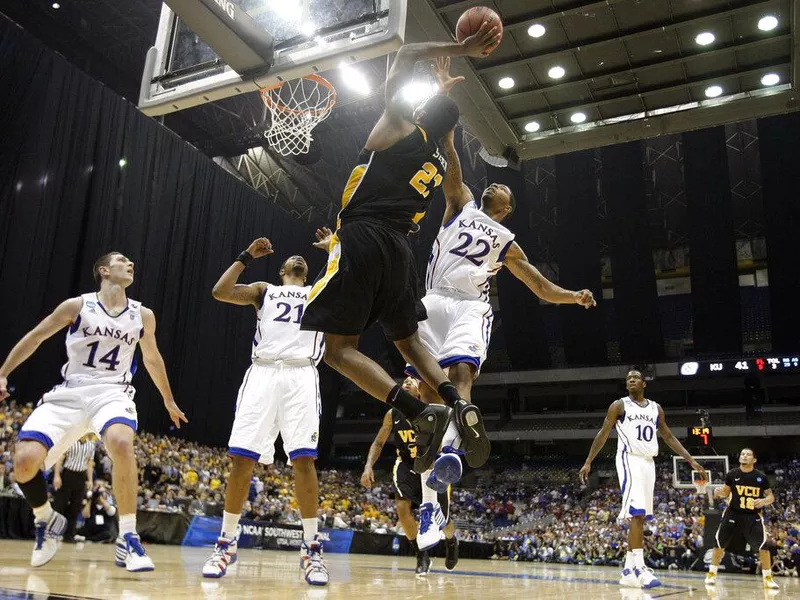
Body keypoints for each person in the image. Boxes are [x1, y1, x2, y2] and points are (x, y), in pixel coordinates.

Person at [406, 57, 596, 548]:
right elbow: (451, 160)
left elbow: (537, 286)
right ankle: (430, 506)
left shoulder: (507, 240)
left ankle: (453, 447)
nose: (495, 188)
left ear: (507, 209)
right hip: (433, 300)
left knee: (461, 376)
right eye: (493, 185)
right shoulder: (460, 203)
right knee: (430, 395)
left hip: (470, 304)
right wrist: (446, 116)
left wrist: (572, 296)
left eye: (504, 190)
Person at [299, 26, 502, 477]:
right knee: (409, 342)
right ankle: (453, 402)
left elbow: (408, 50)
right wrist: (444, 111)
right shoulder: (438, 157)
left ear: (422, 111)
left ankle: (413, 407)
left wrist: (460, 49)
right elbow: (445, 139)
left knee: (337, 351)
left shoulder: (396, 126)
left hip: (363, 236)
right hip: (400, 252)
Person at [0, 251, 186, 570]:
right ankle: (46, 518)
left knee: (122, 443)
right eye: (122, 260)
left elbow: (153, 359)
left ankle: (128, 538)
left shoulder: (143, 315)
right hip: (72, 390)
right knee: (24, 461)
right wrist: (3, 372)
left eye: (131, 263)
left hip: (113, 391)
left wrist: (168, 399)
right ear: (104, 270)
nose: (131, 264)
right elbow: (36, 337)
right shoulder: (77, 306)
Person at [202, 237, 328, 585]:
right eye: (293, 259)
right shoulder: (263, 290)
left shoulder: (320, 288)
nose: (299, 257)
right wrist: (245, 256)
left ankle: (311, 548)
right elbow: (220, 291)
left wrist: (335, 249)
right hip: (263, 372)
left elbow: (347, 277)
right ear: (283, 271)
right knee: (243, 459)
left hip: (302, 374)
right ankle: (226, 542)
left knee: (304, 459)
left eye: (303, 258)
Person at [578, 370, 707, 589]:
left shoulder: (656, 408)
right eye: (628, 378)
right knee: (636, 514)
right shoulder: (619, 406)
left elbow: (668, 435)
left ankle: (628, 571)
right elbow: (603, 432)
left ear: (644, 384)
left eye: (635, 378)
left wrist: (690, 460)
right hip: (630, 459)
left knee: (642, 517)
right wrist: (589, 460)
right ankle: (639, 567)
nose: (631, 380)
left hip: (649, 462)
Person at [360, 377, 457, 575]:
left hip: (432, 466)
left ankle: (451, 541)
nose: (406, 381)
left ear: (421, 389)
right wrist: (368, 465)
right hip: (407, 465)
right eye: (405, 380)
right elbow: (379, 442)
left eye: (412, 380)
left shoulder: (433, 409)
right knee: (402, 507)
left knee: (443, 519)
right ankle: (420, 554)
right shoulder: (392, 413)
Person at [705, 447, 779, 590]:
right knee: (719, 544)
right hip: (733, 513)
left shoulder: (761, 477)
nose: (744, 456)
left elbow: (771, 497)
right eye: (742, 454)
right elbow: (725, 493)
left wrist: (764, 501)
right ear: (739, 458)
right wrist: (718, 492)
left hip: (752, 516)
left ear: (754, 460)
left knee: (763, 547)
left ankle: (768, 578)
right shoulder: (732, 474)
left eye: (748, 454)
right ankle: (711, 574)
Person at [52, 433, 96, 542]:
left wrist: (90, 480)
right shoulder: (70, 441)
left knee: (75, 507)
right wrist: (57, 476)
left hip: (81, 476)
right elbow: (60, 459)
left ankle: (69, 535)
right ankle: (53, 533)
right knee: (60, 505)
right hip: (68, 474)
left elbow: (89, 464)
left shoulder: (91, 444)